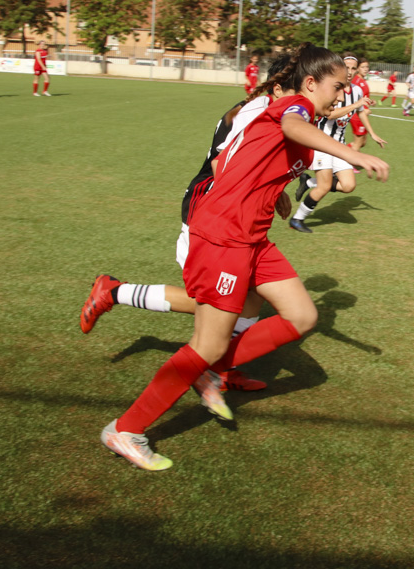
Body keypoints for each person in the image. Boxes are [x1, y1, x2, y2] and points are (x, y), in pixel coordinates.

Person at [100, 43, 390, 471]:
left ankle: (211, 371)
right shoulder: (293, 107)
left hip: (252, 238)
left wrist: (275, 198)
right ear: (311, 83)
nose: (340, 95)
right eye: (336, 87)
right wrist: (353, 153)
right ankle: (126, 428)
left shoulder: (299, 117)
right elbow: (292, 128)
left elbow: (256, 160)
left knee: (302, 316)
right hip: (224, 238)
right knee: (208, 343)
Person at [80, 55, 297, 392]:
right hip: (210, 209)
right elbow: (220, 165)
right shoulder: (250, 111)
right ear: (279, 87)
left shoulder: (270, 110)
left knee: (250, 300)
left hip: (237, 218)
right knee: (213, 303)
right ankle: (114, 292)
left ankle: (223, 369)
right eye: (297, 94)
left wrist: (274, 191)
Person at [288, 55, 386, 233]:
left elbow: (361, 112)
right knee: (324, 186)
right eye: (346, 67)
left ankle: (309, 182)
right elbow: (330, 115)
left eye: (353, 68)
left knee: (348, 186)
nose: (349, 72)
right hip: (322, 143)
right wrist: (356, 104)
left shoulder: (356, 91)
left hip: (339, 145)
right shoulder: (332, 89)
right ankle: (297, 219)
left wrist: (372, 133)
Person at [348, 57, 375, 152]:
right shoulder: (357, 82)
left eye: (367, 67)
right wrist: (364, 110)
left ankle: (342, 152)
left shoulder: (362, 81)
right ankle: (349, 164)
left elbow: (361, 98)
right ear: (358, 68)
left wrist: (370, 102)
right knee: (358, 143)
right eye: (363, 67)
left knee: (362, 142)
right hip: (357, 116)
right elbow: (353, 100)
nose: (366, 69)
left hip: (361, 114)